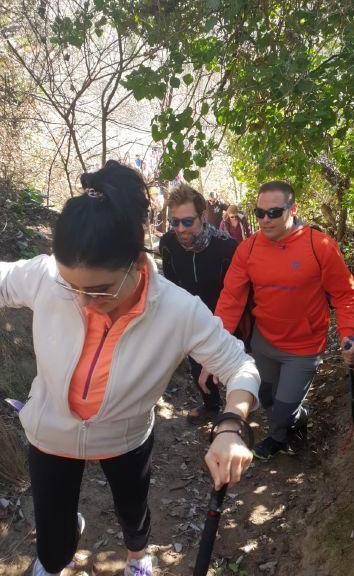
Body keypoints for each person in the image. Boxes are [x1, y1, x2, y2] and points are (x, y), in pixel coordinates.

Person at [0, 161, 259, 576]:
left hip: (125, 438)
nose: (83, 301)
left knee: (132, 508)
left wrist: (231, 426)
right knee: (52, 528)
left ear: (138, 263)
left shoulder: (177, 310)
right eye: (72, 286)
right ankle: (56, 556)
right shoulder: (46, 276)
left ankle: (138, 556)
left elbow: (240, 365)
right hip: (49, 432)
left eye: (100, 289)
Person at [202, 180, 354, 461]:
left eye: (274, 213)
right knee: (266, 398)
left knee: (282, 408)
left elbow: (345, 292)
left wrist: (349, 333)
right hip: (264, 342)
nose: (265, 219)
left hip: (305, 345)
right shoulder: (248, 249)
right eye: (259, 213)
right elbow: (231, 300)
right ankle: (294, 419)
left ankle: (279, 434)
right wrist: (213, 352)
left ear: (293, 209)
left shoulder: (320, 245)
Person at [159, 184, 238, 423]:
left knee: (231, 365)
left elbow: (236, 293)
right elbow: (171, 283)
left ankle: (238, 410)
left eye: (188, 222)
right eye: (175, 222)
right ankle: (212, 406)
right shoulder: (168, 244)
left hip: (226, 318)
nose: (180, 229)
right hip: (190, 320)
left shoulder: (226, 247)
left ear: (203, 216)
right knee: (197, 367)